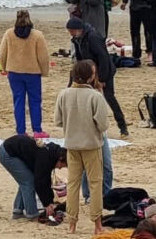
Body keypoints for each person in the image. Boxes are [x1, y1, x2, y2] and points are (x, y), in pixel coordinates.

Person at [54, 60, 109, 235]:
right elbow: (103, 125)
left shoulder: (64, 94)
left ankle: (72, 223)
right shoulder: (95, 96)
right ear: (91, 77)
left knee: (72, 184)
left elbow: (58, 121)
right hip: (91, 145)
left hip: (72, 145)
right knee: (95, 184)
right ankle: (97, 224)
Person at [67, 17, 128, 136]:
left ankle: (122, 126)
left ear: (78, 29)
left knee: (109, 97)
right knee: (83, 96)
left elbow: (103, 58)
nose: (70, 34)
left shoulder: (93, 37)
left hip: (104, 70)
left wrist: (102, 78)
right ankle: (86, 125)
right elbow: (80, 58)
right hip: (88, 70)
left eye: (71, 31)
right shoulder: (77, 38)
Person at [0, 10, 51, 138]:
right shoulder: (37, 35)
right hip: (33, 72)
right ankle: (37, 130)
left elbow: (2, 53)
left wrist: (4, 68)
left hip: (14, 72)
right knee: (35, 101)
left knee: (18, 101)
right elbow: (43, 56)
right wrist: (44, 71)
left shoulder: (9, 34)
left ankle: (21, 131)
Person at [0, 134, 66, 221]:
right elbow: (39, 183)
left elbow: (46, 181)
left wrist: (50, 202)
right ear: (60, 158)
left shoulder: (51, 155)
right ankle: (32, 214)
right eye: (62, 165)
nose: (60, 168)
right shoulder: (46, 159)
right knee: (28, 182)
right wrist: (47, 204)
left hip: (10, 150)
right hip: (7, 153)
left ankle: (18, 211)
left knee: (26, 180)